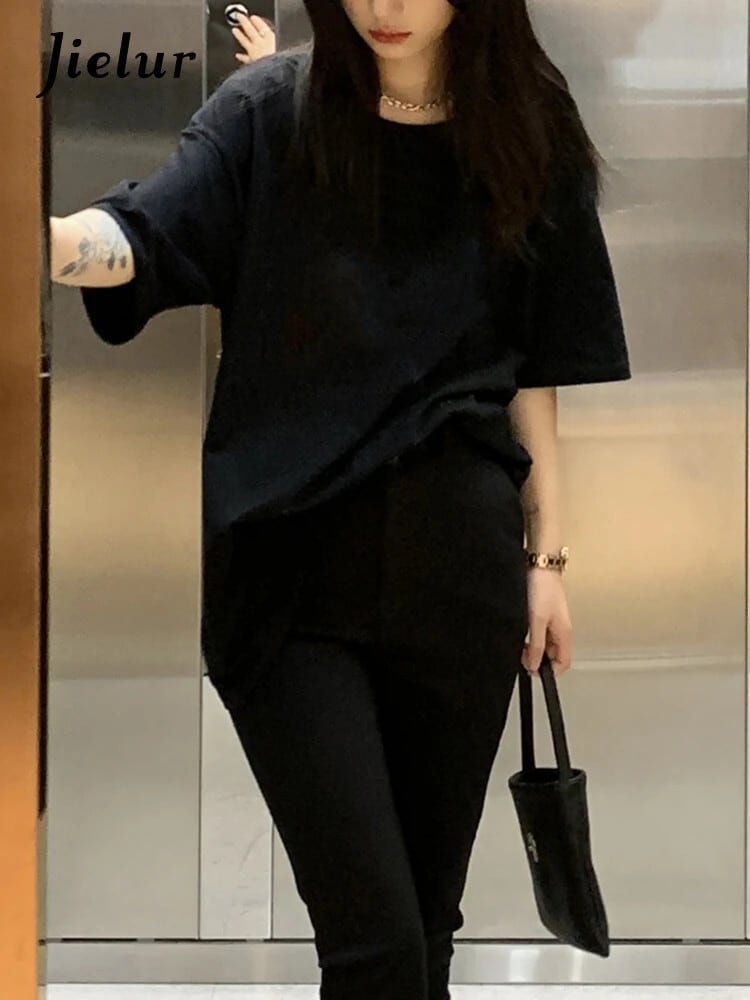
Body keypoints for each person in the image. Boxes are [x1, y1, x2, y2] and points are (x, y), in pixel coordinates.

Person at [48, 0, 631, 996]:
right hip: (289, 585)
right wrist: (48, 237)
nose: (384, 6)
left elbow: (534, 369)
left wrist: (547, 563)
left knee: (426, 931)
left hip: (461, 579)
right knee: (376, 946)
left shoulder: (527, 120)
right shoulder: (268, 112)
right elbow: (141, 233)